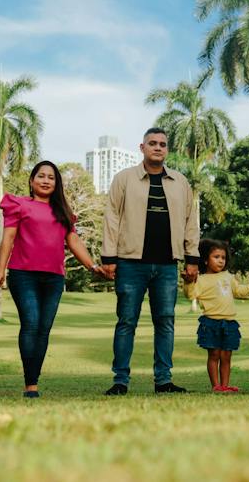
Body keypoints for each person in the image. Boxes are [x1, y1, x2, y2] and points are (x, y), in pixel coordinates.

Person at [0, 161, 103, 398]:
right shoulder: (19, 204)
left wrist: (92, 265)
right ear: (31, 181)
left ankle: (34, 379)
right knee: (31, 323)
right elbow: (8, 239)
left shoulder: (63, 211)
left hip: (53, 278)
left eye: (51, 177)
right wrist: (0, 271)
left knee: (44, 329)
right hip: (24, 274)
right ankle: (30, 384)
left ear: (56, 183)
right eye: (40, 176)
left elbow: (73, 241)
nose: (45, 181)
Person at [99, 127, 200, 395]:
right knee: (126, 321)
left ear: (167, 150)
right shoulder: (124, 179)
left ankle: (163, 380)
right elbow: (111, 218)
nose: (158, 147)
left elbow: (192, 222)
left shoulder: (181, 182)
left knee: (165, 321)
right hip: (130, 263)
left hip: (167, 265)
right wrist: (108, 257)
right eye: (152, 143)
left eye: (163, 144)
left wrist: (192, 258)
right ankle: (120, 381)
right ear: (141, 147)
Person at [184, 239, 249, 393]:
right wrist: (189, 282)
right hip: (211, 323)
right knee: (214, 355)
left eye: (223, 258)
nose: (220, 261)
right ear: (205, 259)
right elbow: (191, 294)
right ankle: (216, 386)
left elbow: (239, 291)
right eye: (216, 257)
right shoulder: (201, 279)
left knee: (226, 356)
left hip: (229, 323)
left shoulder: (228, 276)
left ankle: (225, 386)